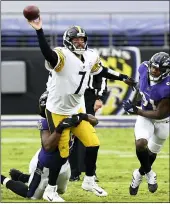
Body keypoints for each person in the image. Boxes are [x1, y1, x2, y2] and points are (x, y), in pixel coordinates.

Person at [27, 16, 136, 200]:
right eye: (76, 39)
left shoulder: (90, 55)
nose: (80, 42)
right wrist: (39, 31)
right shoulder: (62, 55)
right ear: (68, 41)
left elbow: (101, 70)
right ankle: (50, 191)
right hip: (57, 110)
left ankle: (89, 180)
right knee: (61, 153)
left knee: (93, 143)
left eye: (82, 39)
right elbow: (48, 54)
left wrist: (122, 77)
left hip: (77, 108)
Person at [5, 92, 98, 202]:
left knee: (61, 191)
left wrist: (83, 116)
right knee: (32, 195)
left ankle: (25, 178)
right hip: (45, 164)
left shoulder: (71, 116)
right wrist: (60, 127)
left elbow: (95, 121)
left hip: (63, 164)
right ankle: (4, 179)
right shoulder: (45, 122)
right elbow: (48, 146)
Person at [122, 52, 170, 195]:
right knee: (140, 144)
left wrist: (136, 110)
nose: (154, 71)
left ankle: (138, 174)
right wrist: (134, 85)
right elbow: (143, 88)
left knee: (152, 153)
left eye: (158, 69)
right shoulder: (143, 68)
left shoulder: (167, 87)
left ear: (166, 71)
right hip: (145, 117)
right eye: (153, 67)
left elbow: (159, 114)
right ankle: (150, 174)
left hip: (163, 120)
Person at [69, 75, 107, 182]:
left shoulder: (91, 58)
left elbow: (102, 76)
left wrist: (100, 97)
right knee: (71, 133)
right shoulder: (68, 60)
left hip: (87, 95)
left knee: (87, 134)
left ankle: (90, 172)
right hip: (70, 95)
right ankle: (73, 172)